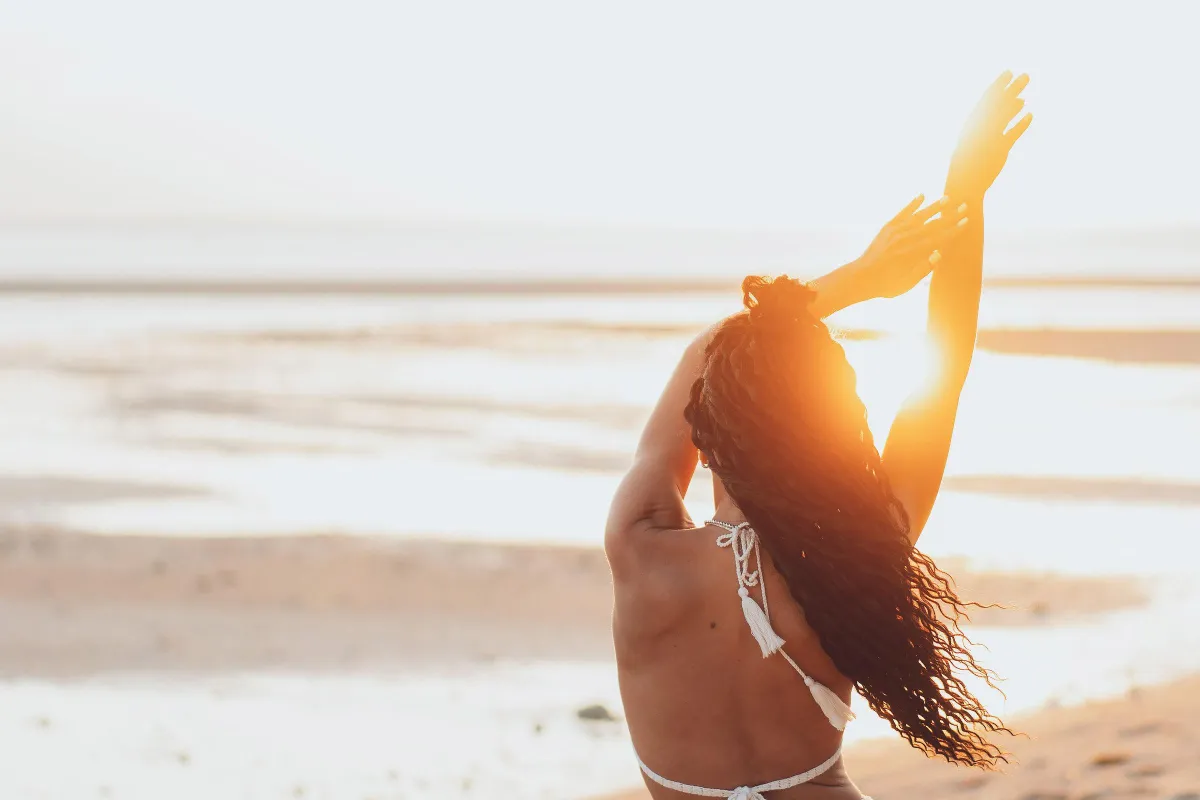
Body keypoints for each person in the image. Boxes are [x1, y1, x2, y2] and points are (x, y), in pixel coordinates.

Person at [605, 72, 1033, 800]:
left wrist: (856, 280)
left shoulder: (640, 545)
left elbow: (711, 355)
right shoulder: (852, 560)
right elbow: (949, 360)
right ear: (825, 442)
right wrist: (967, 193)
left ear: (705, 430)